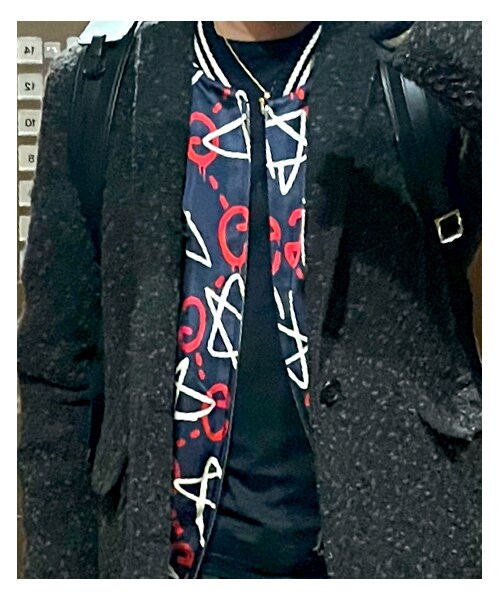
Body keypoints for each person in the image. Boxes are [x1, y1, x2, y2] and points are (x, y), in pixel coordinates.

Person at [17, 21, 482, 579]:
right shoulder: (102, 86)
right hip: (176, 561)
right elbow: (60, 375)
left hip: (405, 544)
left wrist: (416, 32)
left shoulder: (414, 66)